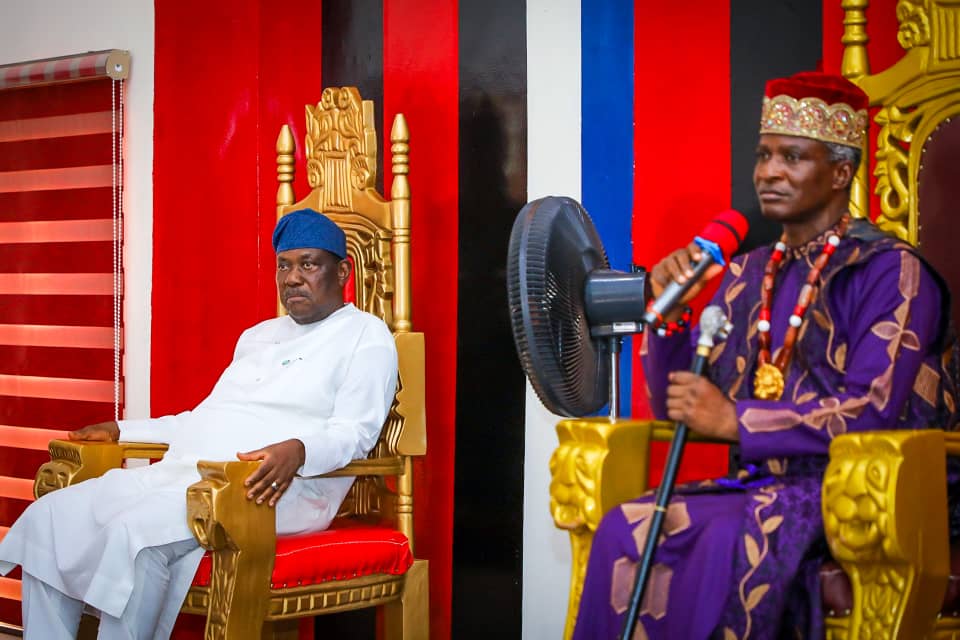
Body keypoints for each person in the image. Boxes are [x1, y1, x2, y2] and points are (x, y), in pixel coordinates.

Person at [573, 72, 960, 639]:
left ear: (841, 173)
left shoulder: (890, 271)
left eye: (792, 157)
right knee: (623, 528)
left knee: (720, 537)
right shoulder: (747, 273)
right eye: (763, 155)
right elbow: (678, 403)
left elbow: (873, 409)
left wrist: (736, 420)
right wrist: (672, 308)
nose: (769, 172)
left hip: (870, 492)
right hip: (762, 484)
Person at [0, 208, 399, 639]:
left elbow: (355, 432)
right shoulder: (258, 336)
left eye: (308, 264)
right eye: (284, 266)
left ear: (342, 272)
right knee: (53, 515)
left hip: (273, 489)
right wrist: (124, 430)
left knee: (134, 539)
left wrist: (299, 450)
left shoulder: (366, 334)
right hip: (186, 476)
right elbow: (205, 419)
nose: (292, 278)